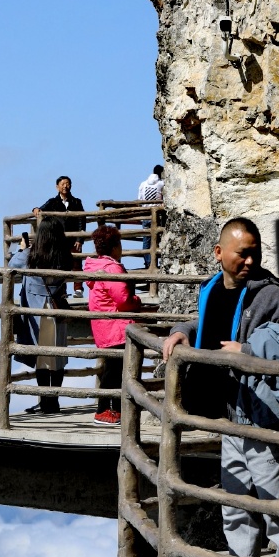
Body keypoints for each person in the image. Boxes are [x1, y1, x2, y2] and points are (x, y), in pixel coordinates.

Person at [162, 217, 279, 557]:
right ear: (219, 254)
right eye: (241, 253)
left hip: (265, 417)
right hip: (232, 414)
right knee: (237, 510)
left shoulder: (271, 296)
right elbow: (211, 330)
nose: (249, 259)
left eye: (255, 252)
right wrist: (180, 332)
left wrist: (247, 350)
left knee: (278, 512)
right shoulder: (213, 289)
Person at [84, 224, 142, 425]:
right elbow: (123, 301)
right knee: (115, 371)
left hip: (104, 325)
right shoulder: (112, 269)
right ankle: (104, 411)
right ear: (114, 246)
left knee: (112, 369)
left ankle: (113, 409)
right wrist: (137, 301)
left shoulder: (96, 267)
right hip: (116, 325)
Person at [9, 218, 69, 414]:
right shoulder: (64, 256)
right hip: (56, 309)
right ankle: (54, 401)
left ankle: (44, 401)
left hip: (36, 312)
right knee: (57, 357)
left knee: (41, 358)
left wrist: (22, 248)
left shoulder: (30, 255)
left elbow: (12, 264)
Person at [32, 176, 85, 293]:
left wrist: (80, 239)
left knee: (77, 263)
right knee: (60, 264)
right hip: (58, 239)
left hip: (73, 238)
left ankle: (78, 289)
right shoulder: (53, 202)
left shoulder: (76, 202)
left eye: (67, 184)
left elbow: (82, 220)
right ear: (57, 187)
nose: (65, 186)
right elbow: (41, 209)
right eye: (63, 184)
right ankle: (62, 290)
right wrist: (35, 209)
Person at [138, 165, 164, 269]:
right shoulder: (161, 184)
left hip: (145, 214)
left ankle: (147, 263)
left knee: (146, 239)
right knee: (158, 239)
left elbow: (139, 199)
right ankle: (155, 263)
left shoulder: (143, 184)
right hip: (158, 216)